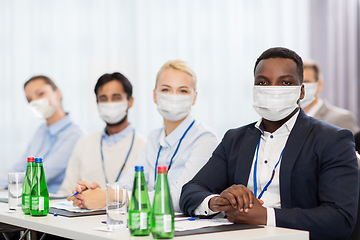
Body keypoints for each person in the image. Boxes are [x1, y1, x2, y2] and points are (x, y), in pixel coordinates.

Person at [179, 47, 359, 240]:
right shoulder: (234, 139)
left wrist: (265, 216)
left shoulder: (332, 140)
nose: (273, 90)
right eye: (263, 82)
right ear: (255, 89)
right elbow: (191, 190)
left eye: (285, 82)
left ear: (301, 91)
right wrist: (217, 202)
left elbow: (340, 220)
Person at [68, 59, 219, 212]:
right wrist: (94, 194)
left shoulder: (205, 139)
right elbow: (128, 182)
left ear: (194, 97)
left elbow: (180, 197)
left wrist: (112, 196)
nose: (174, 96)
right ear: (154, 95)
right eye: (166, 89)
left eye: (183, 91)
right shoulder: (154, 138)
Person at [57, 72, 146, 195]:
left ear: (130, 101)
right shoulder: (84, 143)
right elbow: (66, 193)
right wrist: (76, 197)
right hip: (85, 214)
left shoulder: (144, 146)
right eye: (103, 99)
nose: (109, 103)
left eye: (116, 98)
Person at [0, 75, 84, 193]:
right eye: (29, 100)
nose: (35, 102)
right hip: (30, 198)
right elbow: (20, 167)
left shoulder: (74, 135)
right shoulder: (41, 131)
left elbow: (41, 174)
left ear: (57, 94)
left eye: (40, 94)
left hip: (53, 202)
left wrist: (9, 180)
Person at [300, 59, 359, 133]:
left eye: (306, 82)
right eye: (297, 82)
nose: (301, 87)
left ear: (319, 84)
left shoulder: (342, 119)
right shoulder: (288, 120)